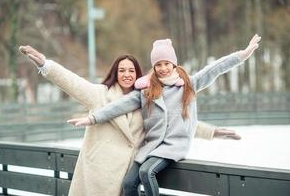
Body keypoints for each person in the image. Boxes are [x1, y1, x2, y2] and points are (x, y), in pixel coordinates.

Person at [19, 46, 240, 196]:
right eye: (122, 70)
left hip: (122, 180)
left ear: (138, 74)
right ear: (115, 73)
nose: (127, 74)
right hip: (97, 176)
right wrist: (46, 65)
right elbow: (73, 83)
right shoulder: (99, 94)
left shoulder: (147, 98)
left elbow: (174, 123)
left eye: (131, 70)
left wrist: (213, 132)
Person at [68, 34, 260, 196]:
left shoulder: (188, 85)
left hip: (172, 146)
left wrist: (241, 56)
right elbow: (119, 106)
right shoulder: (146, 91)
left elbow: (215, 69)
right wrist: (92, 118)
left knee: (147, 172)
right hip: (150, 147)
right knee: (128, 183)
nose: (163, 68)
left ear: (173, 64)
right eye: (158, 64)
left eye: (166, 63)